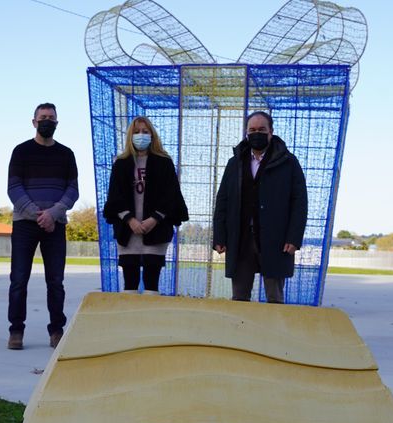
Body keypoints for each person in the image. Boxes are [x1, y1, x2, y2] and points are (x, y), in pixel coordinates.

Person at [211, 111, 307, 303]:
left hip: (277, 241)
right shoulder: (235, 163)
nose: (257, 133)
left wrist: (294, 237)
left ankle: (275, 333)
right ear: (246, 133)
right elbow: (222, 202)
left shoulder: (288, 162)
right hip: (241, 240)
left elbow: (300, 203)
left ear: (271, 132)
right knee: (239, 298)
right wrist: (220, 236)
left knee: (275, 299)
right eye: (252, 130)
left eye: (262, 129)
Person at [6, 103, 79, 350]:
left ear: (57, 122)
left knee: (56, 282)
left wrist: (53, 214)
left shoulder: (66, 154)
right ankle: (16, 331)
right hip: (25, 224)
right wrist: (38, 214)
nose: (47, 121)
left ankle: (56, 331)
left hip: (55, 225)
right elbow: (14, 188)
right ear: (34, 121)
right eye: (43, 117)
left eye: (51, 118)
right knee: (18, 280)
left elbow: (73, 190)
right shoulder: (21, 151)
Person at [102, 116, 188, 294]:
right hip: (128, 231)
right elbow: (114, 196)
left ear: (152, 135)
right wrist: (129, 220)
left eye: (145, 132)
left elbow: (171, 195)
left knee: (151, 284)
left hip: (155, 230)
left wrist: (154, 219)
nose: (141, 135)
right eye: (136, 132)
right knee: (130, 284)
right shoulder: (121, 163)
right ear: (130, 136)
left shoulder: (164, 162)